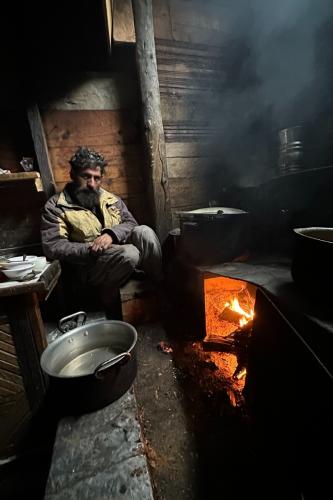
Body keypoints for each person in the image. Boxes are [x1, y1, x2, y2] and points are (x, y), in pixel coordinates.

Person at [41, 146, 163, 304]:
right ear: (72, 175)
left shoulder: (110, 199)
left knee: (144, 232)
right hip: (90, 267)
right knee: (130, 253)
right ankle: (105, 299)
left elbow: (131, 223)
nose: (92, 183)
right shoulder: (56, 206)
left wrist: (111, 234)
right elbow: (52, 246)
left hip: (119, 257)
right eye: (86, 176)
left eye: (97, 178)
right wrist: (90, 249)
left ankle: (160, 287)